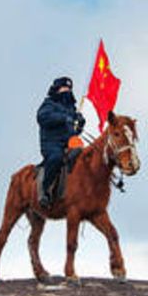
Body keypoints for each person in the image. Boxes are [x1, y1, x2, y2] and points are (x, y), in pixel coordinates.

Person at [36, 76, 85, 208]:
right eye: (64, 87)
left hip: (69, 142)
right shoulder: (49, 104)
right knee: (56, 158)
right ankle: (45, 190)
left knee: (84, 153)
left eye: (69, 88)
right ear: (57, 89)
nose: (67, 90)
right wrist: (63, 118)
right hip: (52, 143)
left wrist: (80, 123)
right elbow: (42, 117)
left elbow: (74, 129)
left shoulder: (71, 108)